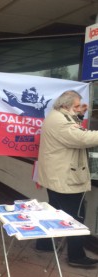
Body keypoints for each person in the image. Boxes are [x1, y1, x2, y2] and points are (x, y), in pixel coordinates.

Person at [37, 90, 98, 267]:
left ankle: (45, 243)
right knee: (76, 218)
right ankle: (76, 257)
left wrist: (79, 113)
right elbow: (82, 137)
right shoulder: (60, 121)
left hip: (56, 175)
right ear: (65, 105)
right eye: (77, 106)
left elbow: (74, 126)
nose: (81, 108)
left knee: (54, 212)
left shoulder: (57, 116)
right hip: (65, 178)